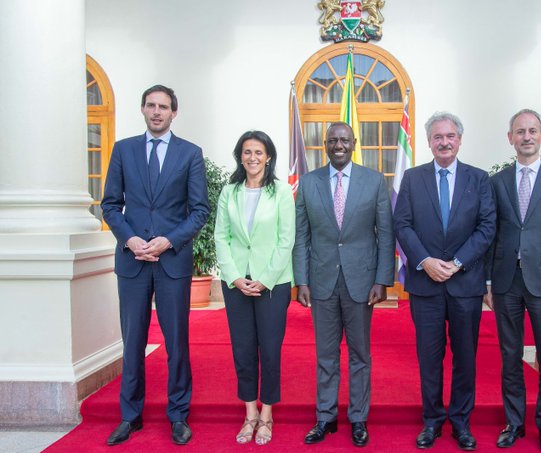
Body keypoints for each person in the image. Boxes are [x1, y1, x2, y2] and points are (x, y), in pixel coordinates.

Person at [102, 85, 209, 446]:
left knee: (177, 342)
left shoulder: (190, 154)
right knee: (133, 342)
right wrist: (130, 240)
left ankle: (178, 415)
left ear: (174, 112)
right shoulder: (123, 150)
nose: (157, 112)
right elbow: (111, 205)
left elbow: (199, 211)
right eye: (151, 105)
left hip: (171, 262)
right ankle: (130, 416)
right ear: (143, 109)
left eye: (164, 106)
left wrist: (168, 241)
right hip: (132, 260)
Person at [393, 111, 495, 450]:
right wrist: (424, 261)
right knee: (429, 357)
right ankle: (433, 421)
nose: (444, 142)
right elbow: (402, 225)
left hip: (465, 284)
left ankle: (461, 422)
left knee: (465, 357)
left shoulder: (479, 180)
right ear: (429, 142)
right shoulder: (412, 178)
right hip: (426, 285)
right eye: (438, 137)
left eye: (450, 136)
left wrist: (457, 262)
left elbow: (487, 228)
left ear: (460, 139)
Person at [293, 122, 395, 448]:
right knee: (326, 355)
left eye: (344, 140)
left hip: (362, 282)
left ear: (354, 143)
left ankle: (358, 418)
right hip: (321, 282)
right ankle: (325, 417)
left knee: (360, 354)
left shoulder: (375, 181)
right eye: (333, 140)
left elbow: (385, 233)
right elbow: (301, 236)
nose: (339, 144)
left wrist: (382, 279)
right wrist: (301, 280)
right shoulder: (308, 184)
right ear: (324, 144)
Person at [484, 109, 541, 453]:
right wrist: (489, 283)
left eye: (532, 131)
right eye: (520, 131)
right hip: (507, 282)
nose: (526, 136)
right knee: (510, 356)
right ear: (510, 138)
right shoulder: (497, 182)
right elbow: (491, 236)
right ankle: (514, 422)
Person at [214, 130, 295, 445]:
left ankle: (267, 415)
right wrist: (234, 277)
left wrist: (265, 277)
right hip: (237, 284)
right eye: (247, 152)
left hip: (272, 284)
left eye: (258, 152)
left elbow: (285, 239)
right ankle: (250, 414)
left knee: (270, 350)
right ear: (240, 156)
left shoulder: (281, 192)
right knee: (243, 350)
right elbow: (222, 236)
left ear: (269, 156)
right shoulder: (229, 192)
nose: (252, 158)